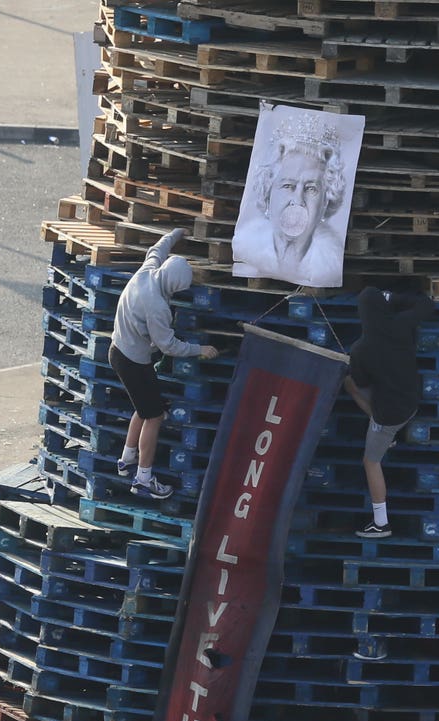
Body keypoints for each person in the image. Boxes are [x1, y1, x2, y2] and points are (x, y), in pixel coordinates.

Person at [108, 227, 218, 500]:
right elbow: (168, 345)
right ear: (174, 285)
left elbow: (158, 248)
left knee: (143, 407)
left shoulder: (148, 271)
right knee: (154, 416)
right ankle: (144, 478)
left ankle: (127, 458)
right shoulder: (157, 306)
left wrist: (176, 233)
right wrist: (199, 349)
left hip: (119, 350)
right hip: (132, 360)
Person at [344, 286, 436, 537]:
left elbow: (361, 383)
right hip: (411, 399)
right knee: (361, 390)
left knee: (370, 461)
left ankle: (381, 523)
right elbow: (427, 304)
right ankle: (387, 435)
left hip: (389, 414)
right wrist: (395, 296)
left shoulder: (360, 349)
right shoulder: (400, 324)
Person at [232, 115, 347, 287]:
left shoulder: (329, 264)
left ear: (325, 202)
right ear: (268, 192)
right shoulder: (247, 249)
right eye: (288, 186)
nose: (297, 200)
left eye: (311, 188)